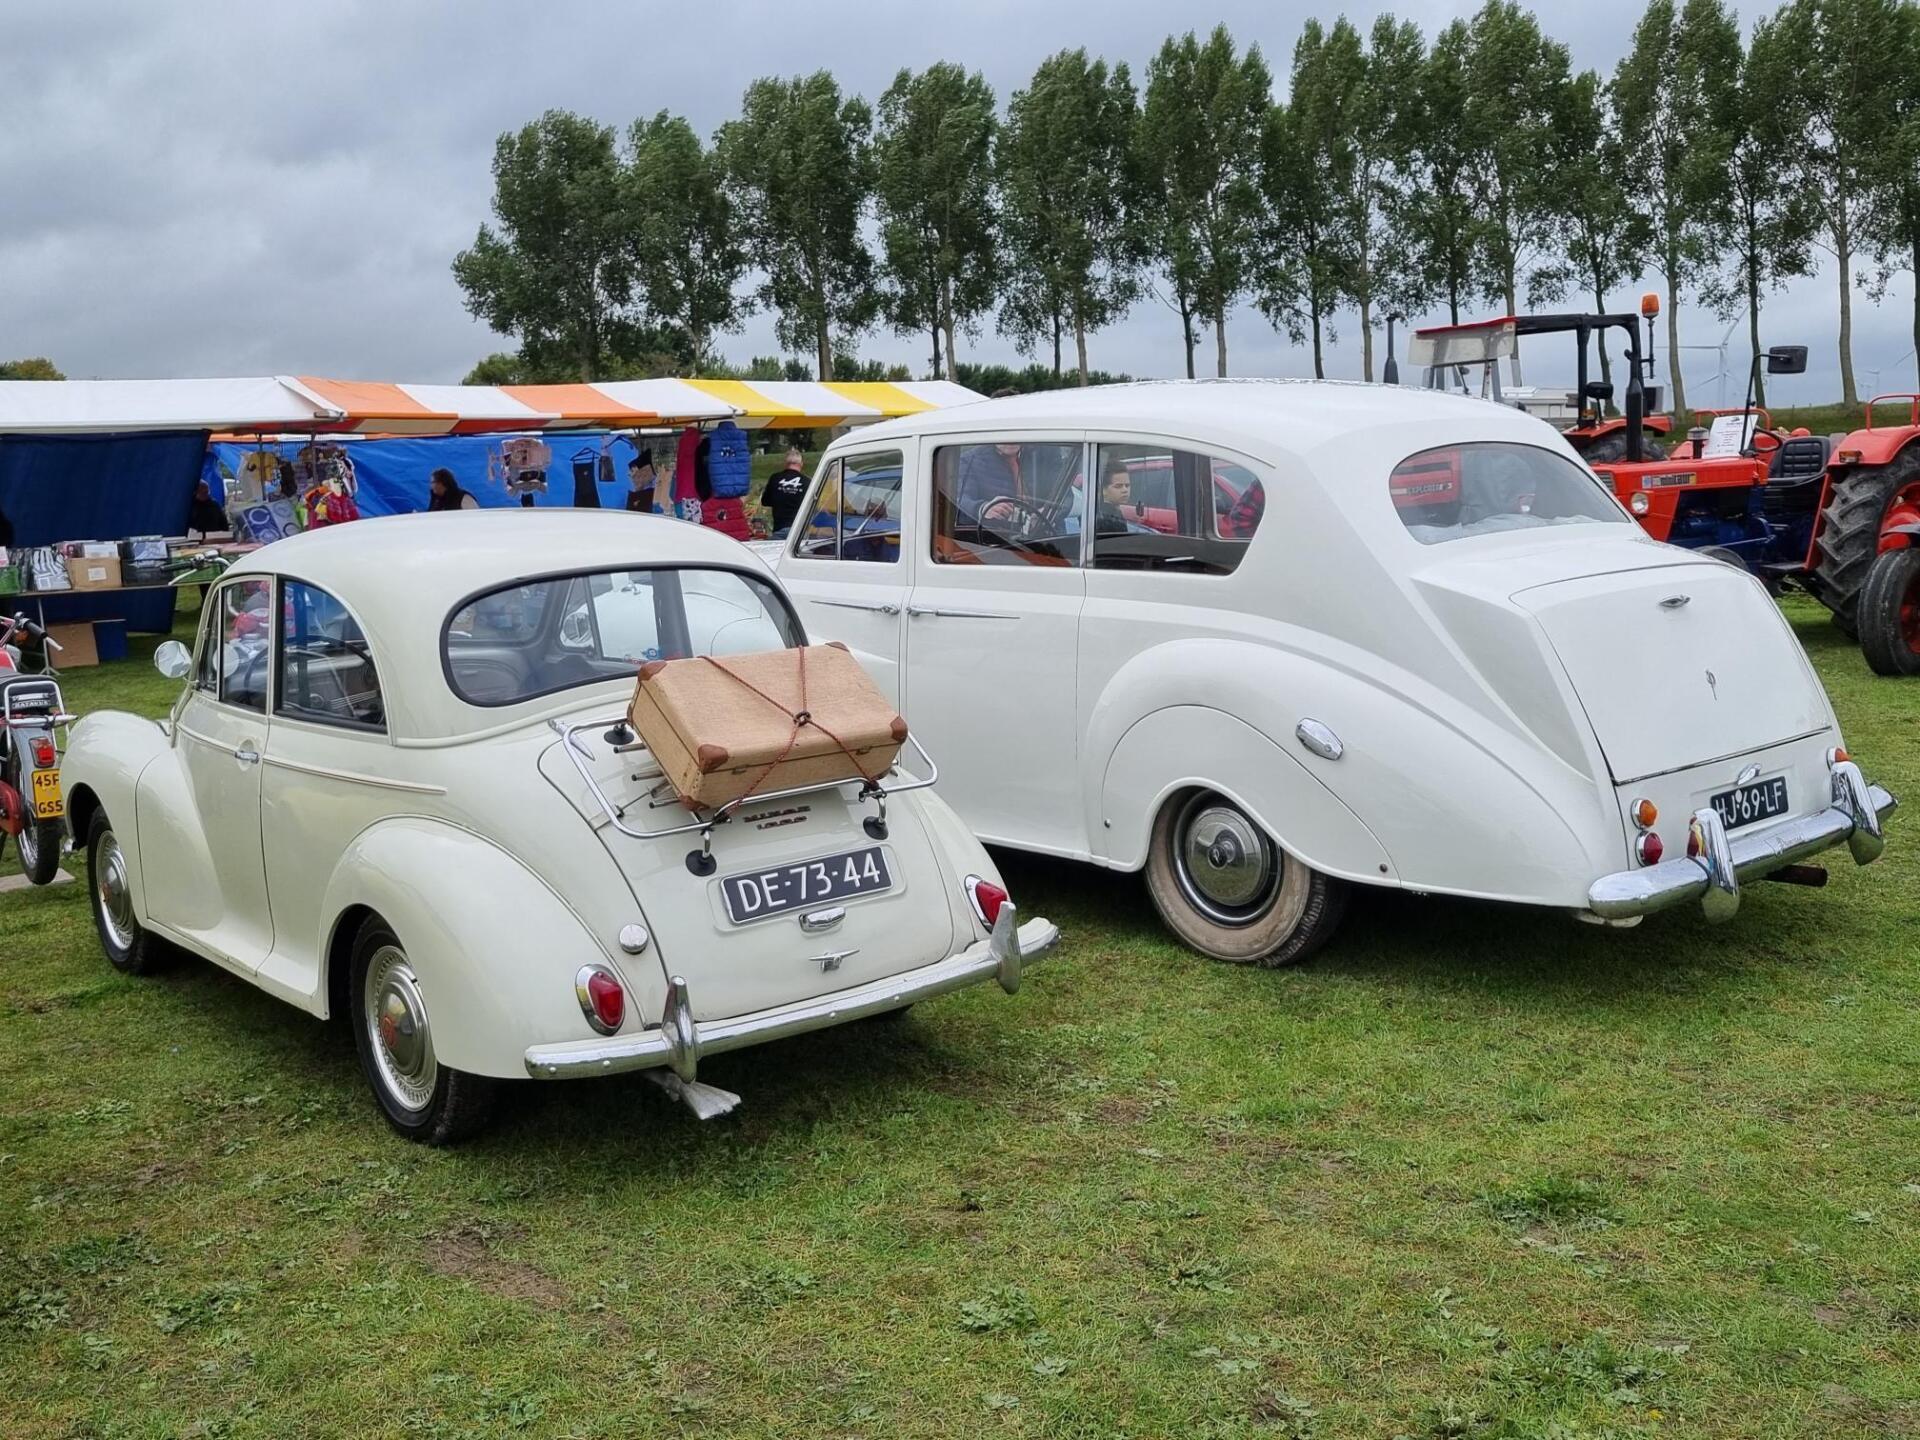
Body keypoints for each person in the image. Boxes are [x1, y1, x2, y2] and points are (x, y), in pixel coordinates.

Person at [762, 447, 810, 535]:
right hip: (799, 531)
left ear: (785, 464)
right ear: (801, 464)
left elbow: (765, 501)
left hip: (779, 529)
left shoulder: (775, 478)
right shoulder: (807, 481)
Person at [1094, 460, 1133, 537]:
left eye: (1127, 485)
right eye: (1118, 486)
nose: (1125, 490)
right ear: (1103, 490)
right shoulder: (1105, 517)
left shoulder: (1115, 512)